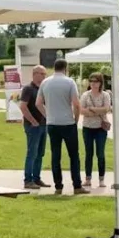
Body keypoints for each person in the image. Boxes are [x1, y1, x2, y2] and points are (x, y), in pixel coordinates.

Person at [36, 59, 88, 195]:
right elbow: (76, 104)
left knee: (55, 155)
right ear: (65, 68)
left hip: (52, 123)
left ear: (54, 67)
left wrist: (48, 115)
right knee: (73, 155)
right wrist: (76, 119)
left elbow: (38, 103)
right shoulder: (69, 82)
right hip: (67, 122)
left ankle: (58, 186)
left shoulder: (45, 82)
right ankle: (77, 185)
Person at [79, 72, 112, 189]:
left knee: (100, 154)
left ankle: (101, 179)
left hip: (100, 128)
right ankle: (88, 179)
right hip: (87, 127)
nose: (93, 84)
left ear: (100, 82)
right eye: (91, 81)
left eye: (96, 81)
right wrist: (96, 111)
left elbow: (106, 109)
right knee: (89, 154)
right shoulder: (85, 95)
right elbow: (81, 110)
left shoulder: (105, 95)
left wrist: (92, 109)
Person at [20, 65, 48, 190]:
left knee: (40, 153)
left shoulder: (44, 88)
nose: (43, 76)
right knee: (32, 152)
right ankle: (28, 179)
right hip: (33, 126)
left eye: (44, 74)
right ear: (34, 74)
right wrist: (32, 120)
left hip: (43, 125)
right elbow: (23, 106)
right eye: (41, 74)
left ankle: (36, 178)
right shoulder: (28, 89)